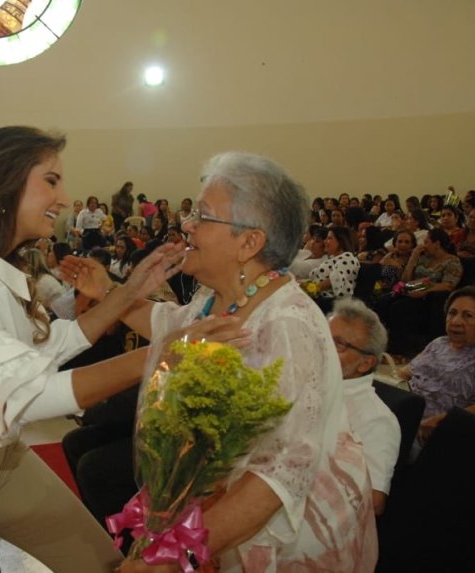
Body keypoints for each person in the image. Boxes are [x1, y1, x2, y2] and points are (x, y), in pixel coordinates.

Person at [0, 126, 231, 573]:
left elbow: (43, 348)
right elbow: (22, 393)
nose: (64, 198)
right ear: (5, 181)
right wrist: (159, 354)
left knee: (97, 562)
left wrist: (128, 291)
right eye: (51, 180)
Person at [67, 151, 377, 572]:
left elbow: (276, 479)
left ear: (249, 242)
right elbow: (166, 324)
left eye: (203, 215)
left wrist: (176, 557)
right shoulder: (218, 298)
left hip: (278, 532)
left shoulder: (288, 327)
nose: (187, 224)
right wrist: (107, 290)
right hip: (211, 502)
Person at [396, 287, 475, 445]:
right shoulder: (438, 343)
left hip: (442, 430)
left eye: (467, 316)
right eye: (452, 313)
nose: (456, 322)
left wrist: (443, 420)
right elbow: (404, 374)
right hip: (406, 416)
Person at [328, 299, 401, 516]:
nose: (322, 346)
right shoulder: (307, 382)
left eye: (338, 344)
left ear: (365, 363)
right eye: (323, 336)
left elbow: (373, 502)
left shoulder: (377, 419)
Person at [374, 228, 462, 357]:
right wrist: (413, 258)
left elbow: (448, 285)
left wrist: (426, 288)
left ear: (437, 244)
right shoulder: (424, 258)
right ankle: (381, 342)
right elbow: (405, 280)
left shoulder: (452, 261)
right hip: (411, 290)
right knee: (383, 301)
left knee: (398, 308)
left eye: (426, 242)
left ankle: (399, 349)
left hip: (430, 297)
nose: (423, 246)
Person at [305, 225, 361, 309]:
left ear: (341, 241)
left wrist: (311, 289)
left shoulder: (347, 257)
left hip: (331, 302)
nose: (325, 242)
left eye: (329, 238)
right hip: (319, 297)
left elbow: (334, 279)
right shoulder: (332, 258)